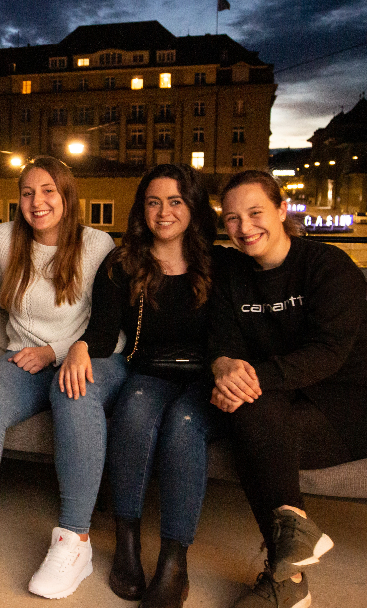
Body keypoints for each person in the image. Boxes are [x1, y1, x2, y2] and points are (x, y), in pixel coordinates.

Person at [0, 156, 125, 608]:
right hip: (25, 355)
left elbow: (108, 324)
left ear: (67, 195)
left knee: (72, 391)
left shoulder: (97, 244)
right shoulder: (4, 239)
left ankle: (75, 541)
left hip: (93, 354)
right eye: (27, 193)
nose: (37, 202)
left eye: (48, 191)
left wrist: (57, 351)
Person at [212, 170, 367, 608]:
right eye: (233, 218)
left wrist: (243, 383)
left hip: (356, 406)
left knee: (252, 423)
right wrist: (223, 368)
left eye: (256, 213)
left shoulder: (328, 265)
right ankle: (292, 561)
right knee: (248, 415)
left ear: (282, 210)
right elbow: (223, 343)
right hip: (288, 397)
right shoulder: (233, 274)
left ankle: (287, 581)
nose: (244, 227)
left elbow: (328, 353)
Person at [78, 164, 222, 608]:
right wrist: (80, 348)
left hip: (206, 376)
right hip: (149, 370)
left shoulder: (219, 263)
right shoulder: (122, 264)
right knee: (134, 411)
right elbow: (103, 334)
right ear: (141, 209)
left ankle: (174, 562)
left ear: (193, 207)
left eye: (175, 202)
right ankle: (126, 542)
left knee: (183, 425)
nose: (163, 213)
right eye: (153, 202)